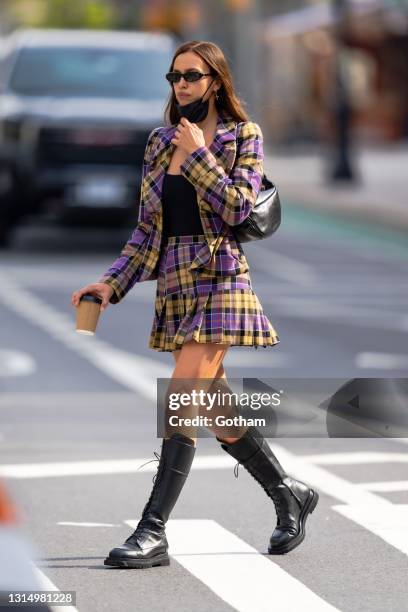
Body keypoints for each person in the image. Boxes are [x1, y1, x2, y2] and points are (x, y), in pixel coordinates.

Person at [71, 40, 318, 569]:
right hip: (177, 285)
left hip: (223, 278)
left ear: (215, 82)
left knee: (181, 397)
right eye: (174, 77)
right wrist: (110, 284)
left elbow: (239, 209)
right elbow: (147, 231)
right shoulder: (159, 143)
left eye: (191, 76)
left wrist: (200, 157)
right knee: (214, 407)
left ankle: (152, 530)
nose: (181, 85)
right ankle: (288, 493)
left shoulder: (241, 137)